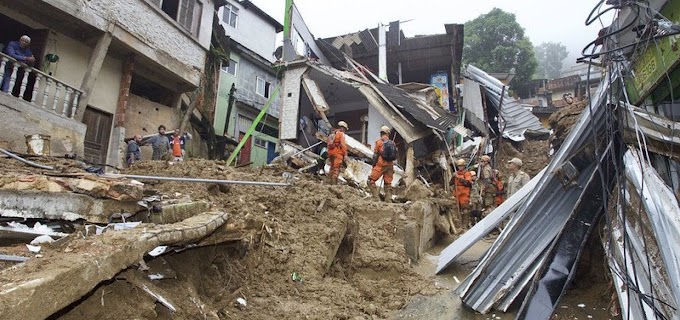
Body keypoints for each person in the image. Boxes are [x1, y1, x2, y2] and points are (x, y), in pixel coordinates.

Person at [368, 125, 397, 202]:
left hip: (381, 165)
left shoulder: (379, 142)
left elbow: (375, 155)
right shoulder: (393, 143)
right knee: (388, 183)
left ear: (381, 133)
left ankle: (376, 199)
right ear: (388, 133)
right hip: (390, 165)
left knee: (370, 181)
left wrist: (374, 165)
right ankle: (388, 200)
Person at [453, 158, 473, 227]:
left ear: (464, 166)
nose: (460, 167)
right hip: (456, 194)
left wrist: (458, 177)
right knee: (456, 211)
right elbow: (450, 183)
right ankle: (458, 225)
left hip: (464, 194)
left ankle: (465, 225)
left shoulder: (467, 174)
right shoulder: (456, 174)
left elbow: (467, 183)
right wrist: (453, 177)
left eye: (461, 166)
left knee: (465, 211)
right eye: (459, 166)